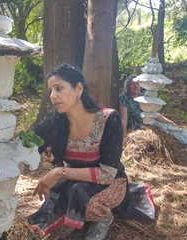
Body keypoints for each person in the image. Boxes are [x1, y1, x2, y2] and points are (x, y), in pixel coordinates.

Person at [27, 64, 153, 240]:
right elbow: (28, 146)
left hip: (110, 183)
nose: (53, 96)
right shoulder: (55, 121)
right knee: (54, 207)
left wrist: (59, 172)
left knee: (77, 193)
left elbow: (107, 174)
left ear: (78, 89)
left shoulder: (108, 119)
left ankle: (103, 217)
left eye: (59, 88)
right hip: (74, 181)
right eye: (51, 90)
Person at [119, 75, 187, 144]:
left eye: (137, 84)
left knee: (173, 128)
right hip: (140, 126)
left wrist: (168, 121)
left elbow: (153, 112)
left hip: (152, 122)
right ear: (127, 86)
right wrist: (124, 135)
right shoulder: (124, 98)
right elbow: (123, 118)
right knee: (173, 131)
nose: (135, 86)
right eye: (132, 84)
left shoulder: (143, 95)